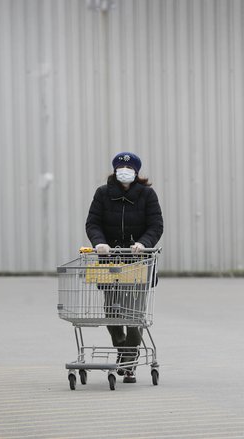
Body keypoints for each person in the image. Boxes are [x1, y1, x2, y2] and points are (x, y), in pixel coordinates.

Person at [85, 152, 164, 383]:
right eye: (120, 167)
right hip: (110, 261)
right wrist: (99, 243)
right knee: (112, 311)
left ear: (137, 172)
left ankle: (129, 362)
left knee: (135, 314)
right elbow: (93, 223)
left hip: (139, 261)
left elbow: (156, 225)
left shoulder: (147, 195)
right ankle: (122, 350)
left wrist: (144, 243)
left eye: (128, 167)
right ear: (115, 170)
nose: (124, 170)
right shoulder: (102, 194)